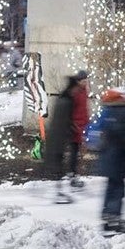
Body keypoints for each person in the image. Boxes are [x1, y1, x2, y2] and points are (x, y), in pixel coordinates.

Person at [96, 87, 125, 235]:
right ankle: (115, 220)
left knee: (111, 186)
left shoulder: (107, 110)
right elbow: (124, 135)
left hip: (107, 156)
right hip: (118, 157)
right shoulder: (122, 112)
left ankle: (107, 217)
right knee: (118, 189)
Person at [44, 70, 87, 204]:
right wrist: (73, 127)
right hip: (60, 134)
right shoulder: (67, 99)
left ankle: (61, 190)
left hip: (61, 133)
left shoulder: (67, 96)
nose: (85, 83)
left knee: (59, 159)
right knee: (58, 160)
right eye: (82, 81)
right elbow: (64, 119)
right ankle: (59, 193)